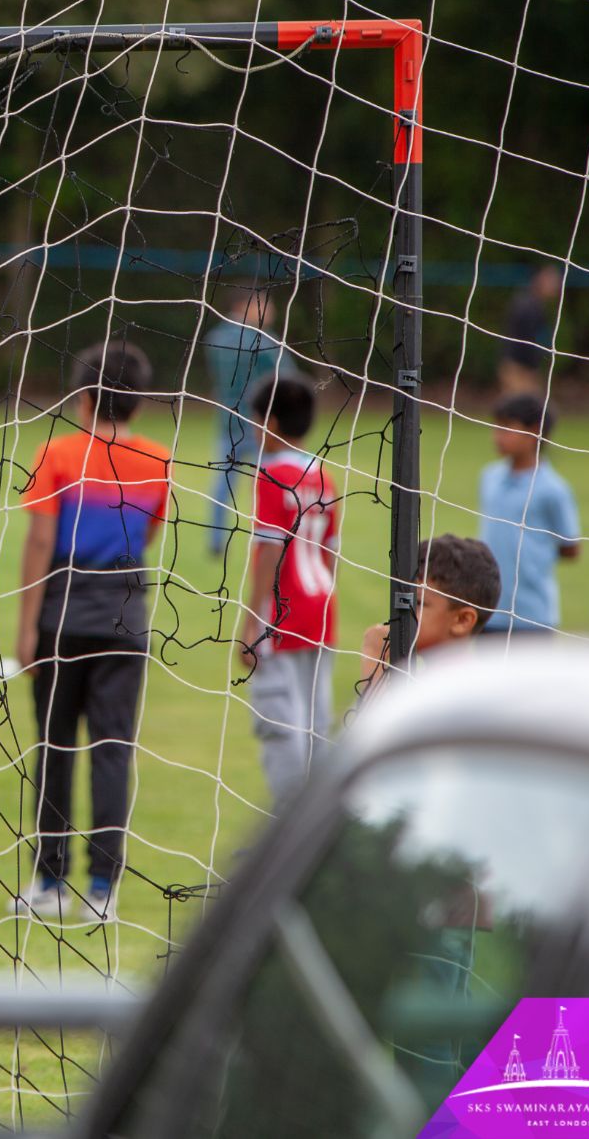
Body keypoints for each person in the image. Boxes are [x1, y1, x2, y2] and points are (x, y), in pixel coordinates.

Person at [15, 342, 172, 925]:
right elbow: (149, 536)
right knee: (113, 752)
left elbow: (38, 543)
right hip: (125, 622)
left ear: (83, 398)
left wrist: (27, 624)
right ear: (140, 400)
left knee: (55, 749)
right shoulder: (159, 460)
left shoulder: (56, 453)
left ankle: (50, 880)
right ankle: (103, 888)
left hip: (60, 619)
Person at [232, 375, 339, 805]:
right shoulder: (323, 475)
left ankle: (291, 827)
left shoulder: (273, 474)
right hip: (322, 606)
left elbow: (270, 549)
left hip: (283, 612)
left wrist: (252, 623)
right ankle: (322, 819)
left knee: (278, 722)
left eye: (256, 421)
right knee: (316, 721)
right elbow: (332, 547)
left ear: (271, 423)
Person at [476, 393, 579, 637]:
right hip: (488, 608)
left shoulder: (553, 489)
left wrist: (532, 556)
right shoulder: (489, 477)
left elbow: (570, 547)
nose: (497, 437)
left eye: (506, 428)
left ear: (534, 431)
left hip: (532, 615)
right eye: (496, 428)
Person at [201, 287, 291, 555]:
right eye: (266, 304)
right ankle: (276, 536)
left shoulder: (214, 337)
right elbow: (286, 378)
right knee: (276, 482)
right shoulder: (265, 340)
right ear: (248, 306)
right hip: (263, 426)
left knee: (222, 485)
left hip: (227, 422)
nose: (272, 311)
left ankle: (216, 542)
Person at [358, 535, 502, 695]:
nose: (402, 611)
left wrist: (374, 656)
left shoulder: (456, 689)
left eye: (418, 603)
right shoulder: (437, 677)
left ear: (462, 620)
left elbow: (378, 719)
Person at [498, 264, 563, 397]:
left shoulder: (534, 304)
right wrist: (531, 369)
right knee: (522, 410)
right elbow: (524, 340)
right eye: (552, 281)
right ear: (540, 280)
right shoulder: (528, 306)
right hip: (518, 367)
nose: (557, 286)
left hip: (521, 366)